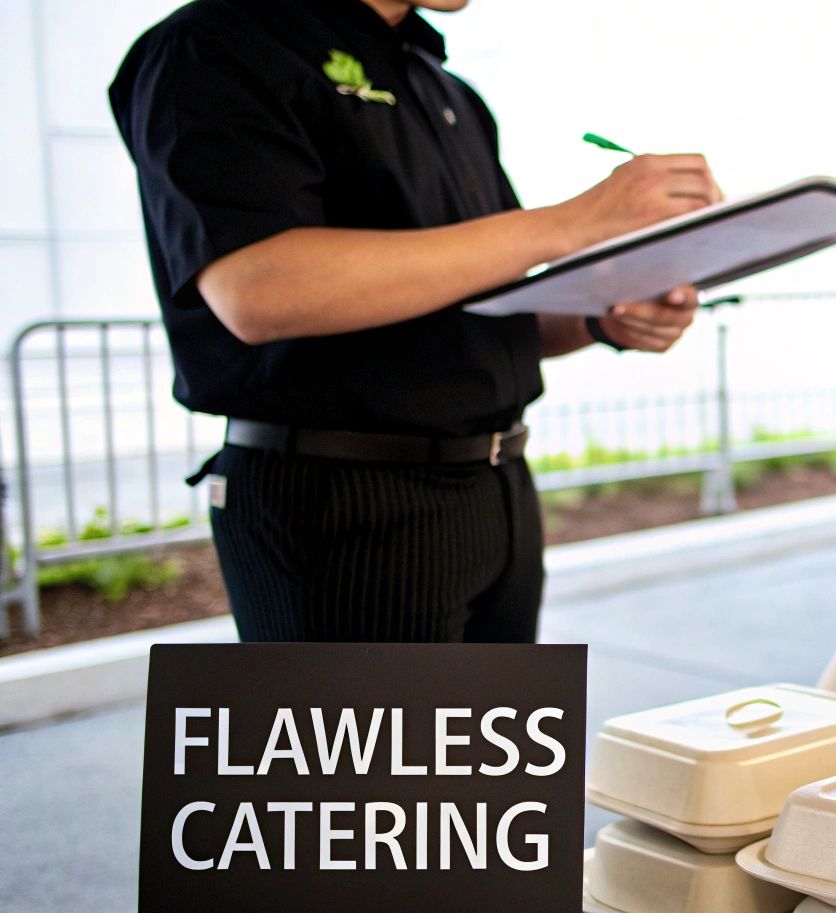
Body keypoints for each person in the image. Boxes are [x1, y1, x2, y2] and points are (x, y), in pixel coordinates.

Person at [110, 0, 722, 642]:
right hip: (340, 499)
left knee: (486, 743)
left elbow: (483, 308)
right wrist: (569, 223)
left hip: (497, 486)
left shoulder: (443, 86)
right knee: (370, 747)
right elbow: (259, 290)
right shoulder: (215, 45)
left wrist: (603, 319)